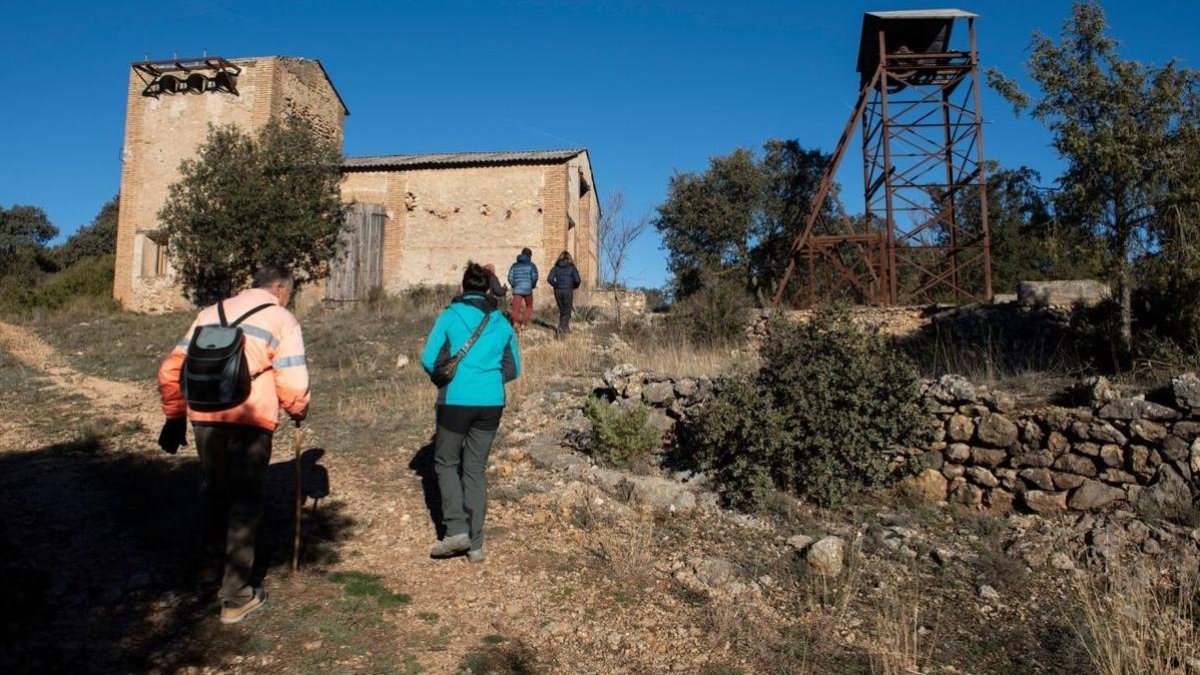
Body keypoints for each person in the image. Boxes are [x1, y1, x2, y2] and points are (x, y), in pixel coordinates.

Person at [156, 266, 310, 625]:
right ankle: (236, 596)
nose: (288, 297)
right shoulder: (282, 318)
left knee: (214, 489)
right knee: (245, 502)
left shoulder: (210, 313)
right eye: (288, 291)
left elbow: (171, 368)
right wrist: (298, 409)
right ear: (278, 287)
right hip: (250, 419)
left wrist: (175, 414)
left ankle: (209, 566)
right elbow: (292, 375)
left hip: (204, 417)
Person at [421, 262, 521, 563]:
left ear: (463, 287)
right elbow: (513, 367)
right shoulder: (502, 322)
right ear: (489, 288)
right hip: (491, 402)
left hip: (456, 401)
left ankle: (456, 531)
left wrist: (453, 377)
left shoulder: (450, 315)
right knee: (475, 468)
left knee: (446, 461)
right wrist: (487, 379)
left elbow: (428, 359)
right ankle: (476, 544)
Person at [547, 251, 582, 337]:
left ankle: (566, 328)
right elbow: (578, 280)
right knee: (567, 312)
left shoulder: (556, 267)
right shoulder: (572, 267)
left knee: (563, 311)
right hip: (567, 291)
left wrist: (556, 285)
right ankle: (561, 329)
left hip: (557, 291)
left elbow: (549, 278)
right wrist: (574, 286)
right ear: (569, 258)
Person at [506, 247, 538, 331]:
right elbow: (535, 276)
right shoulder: (531, 265)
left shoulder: (514, 265)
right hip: (528, 289)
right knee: (529, 306)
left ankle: (515, 324)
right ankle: (524, 324)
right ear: (530, 256)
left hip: (517, 289)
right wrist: (532, 285)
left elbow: (510, 277)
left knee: (515, 308)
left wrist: (514, 284)